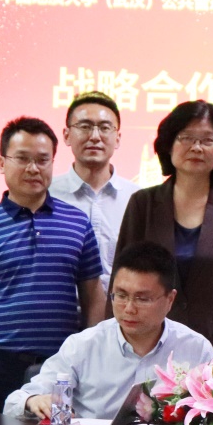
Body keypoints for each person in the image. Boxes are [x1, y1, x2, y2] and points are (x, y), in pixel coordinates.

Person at [0, 117, 106, 415]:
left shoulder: (78, 223)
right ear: (1, 162)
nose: (33, 168)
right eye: (22, 159)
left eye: (42, 160)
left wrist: (91, 364)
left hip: (63, 364)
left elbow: (93, 299)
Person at [115, 100, 213, 353]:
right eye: (186, 138)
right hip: (150, 343)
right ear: (169, 144)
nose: (196, 147)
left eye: (207, 140)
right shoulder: (143, 203)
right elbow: (120, 281)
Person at [6, 242, 213, 420]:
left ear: (170, 299)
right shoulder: (82, 346)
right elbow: (14, 403)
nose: (129, 308)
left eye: (142, 299)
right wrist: (34, 400)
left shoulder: (196, 349)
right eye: (121, 295)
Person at [49, 91, 139, 289]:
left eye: (105, 128)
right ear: (66, 135)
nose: (95, 136)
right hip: (59, 306)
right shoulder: (46, 195)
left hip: (122, 308)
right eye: (85, 127)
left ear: (118, 138)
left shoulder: (137, 199)